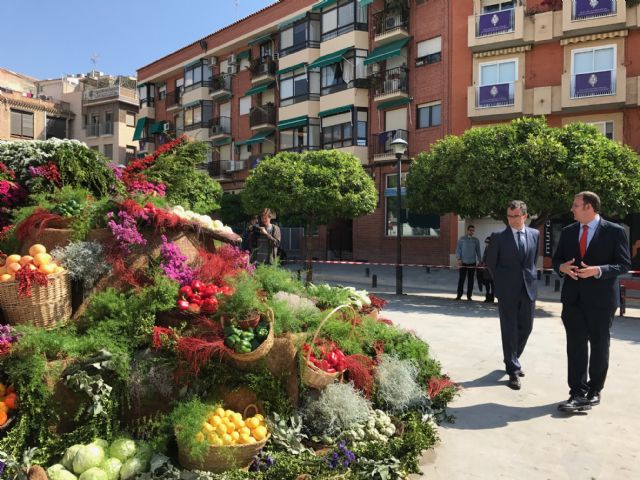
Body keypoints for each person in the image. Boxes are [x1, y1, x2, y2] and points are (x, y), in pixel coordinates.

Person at [552, 191, 630, 413]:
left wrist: (597, 270)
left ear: (589, 207)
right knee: (575, 346)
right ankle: (576, 392)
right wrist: (562, 268)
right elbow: (558, 259)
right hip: (573, 300)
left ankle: (594, 391)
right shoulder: (568, 232)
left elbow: (623, 264)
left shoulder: (614, 232)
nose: (572, 209)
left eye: (575, 205)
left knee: (599, 345)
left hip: (601, 300)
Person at [485, 200, 539, 390]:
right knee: (509, 329)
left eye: (516, 216)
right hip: (507, 291)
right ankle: (513, 370)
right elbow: (490, 262)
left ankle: (512, 357)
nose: (512, 220)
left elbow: (531, 261)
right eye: (509, 216)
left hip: (528, 288)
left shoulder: (535, 234)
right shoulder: (499, 237)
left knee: (527, 327)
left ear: (525, 216)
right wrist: (501, 282)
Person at [455, 225, 481, 300]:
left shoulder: (476, 240)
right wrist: (459, 259)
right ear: (467, 230)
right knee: (461, 279)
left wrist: (480, 260)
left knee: (471, 280)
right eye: (470, 230)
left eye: (473, 230)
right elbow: (458, 249)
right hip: (463, 262)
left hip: (472, 262)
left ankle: (469, 296)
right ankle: (459, 295)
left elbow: (478, 251)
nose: (472, 232)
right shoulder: (462, 239)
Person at [480, 236, 495, 303]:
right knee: (487, 285)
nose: (486, 243)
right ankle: (487, 297)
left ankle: (492, 298)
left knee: (492, 285)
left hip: (491, 271)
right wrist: (482, 263)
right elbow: (484, 257)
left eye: (488, 242)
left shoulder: (493, 249)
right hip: (486, 270)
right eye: (486, 242)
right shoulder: (486, 248)